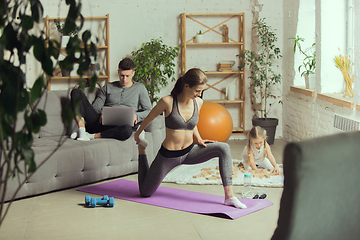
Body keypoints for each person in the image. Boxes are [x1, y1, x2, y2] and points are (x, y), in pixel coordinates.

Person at [134, 68, 247, 209]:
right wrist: (138, 134)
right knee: (145, 192)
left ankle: (229, 197)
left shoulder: (198, 102)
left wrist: (198, 139)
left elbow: (192, 123)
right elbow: (149, 117)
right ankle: (141, 151)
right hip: (168, 156)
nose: (200, 94)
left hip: (189, 152)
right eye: (197, 91)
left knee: (224, 148)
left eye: (201, 91)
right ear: (186, 86)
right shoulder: (167, 102)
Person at [70, 57, 152, 141]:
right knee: (76, 92)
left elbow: (149, 110)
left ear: (133, 73)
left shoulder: (140, 88)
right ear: (118, 72)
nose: (124, 79)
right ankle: (82, 131)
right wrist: (102, 113)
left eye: (127, 76)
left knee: (127, 130)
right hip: (101, 123)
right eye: (122, 76)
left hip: (120, 126)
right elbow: (95, 107)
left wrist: (137, 116)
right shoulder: (108, 87)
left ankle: (91, 136)